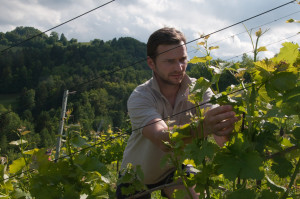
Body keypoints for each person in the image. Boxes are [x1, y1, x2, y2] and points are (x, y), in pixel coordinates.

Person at [117, 27, 238, 198]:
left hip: (175, 169)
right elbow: (162, 139)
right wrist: (205, 126)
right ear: (151, 63)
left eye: (183, 59)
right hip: (136, 176)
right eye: (170, 61)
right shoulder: (140, 96)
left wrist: (226, 129)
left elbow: (218, 130)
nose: (179, 67)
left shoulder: (199, 88)